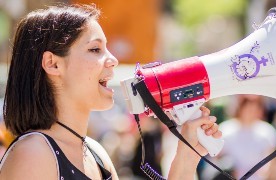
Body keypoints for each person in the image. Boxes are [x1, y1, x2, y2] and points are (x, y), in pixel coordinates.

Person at [0, 4, 222, 180]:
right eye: (95, 49)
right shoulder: (33, 154)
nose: (113, 60)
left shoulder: (95, 153)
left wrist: (186, 157)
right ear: (53, 64)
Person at [218, 95, 276, 179]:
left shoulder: (268, 132)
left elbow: (273, 162)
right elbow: (217, 160)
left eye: (255, 109)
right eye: (248, 108)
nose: (251, 112)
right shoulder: (226, 130)